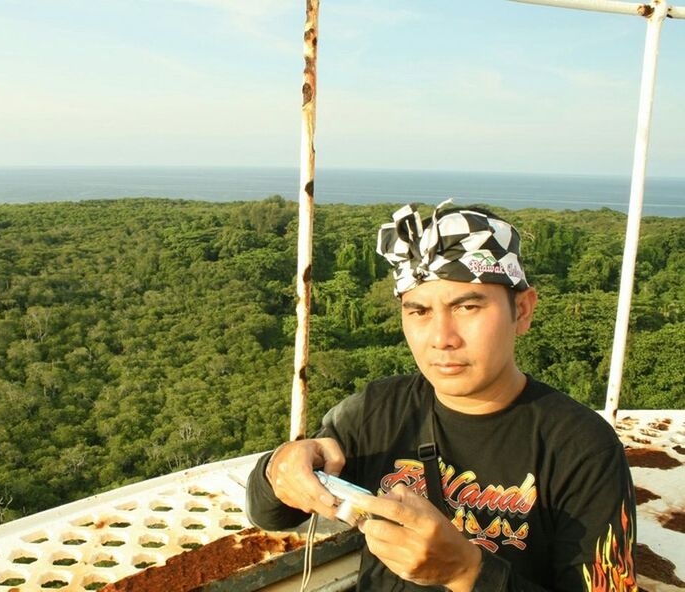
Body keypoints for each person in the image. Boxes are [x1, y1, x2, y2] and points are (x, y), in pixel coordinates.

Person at [246, 200, 637, 591]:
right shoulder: (377, 412)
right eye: (419, 312)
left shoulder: (581, 449)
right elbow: (270, 514)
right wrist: (278, 468)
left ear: (522, 310)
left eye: (467, 307)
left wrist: (468, 573)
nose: (441, 339)